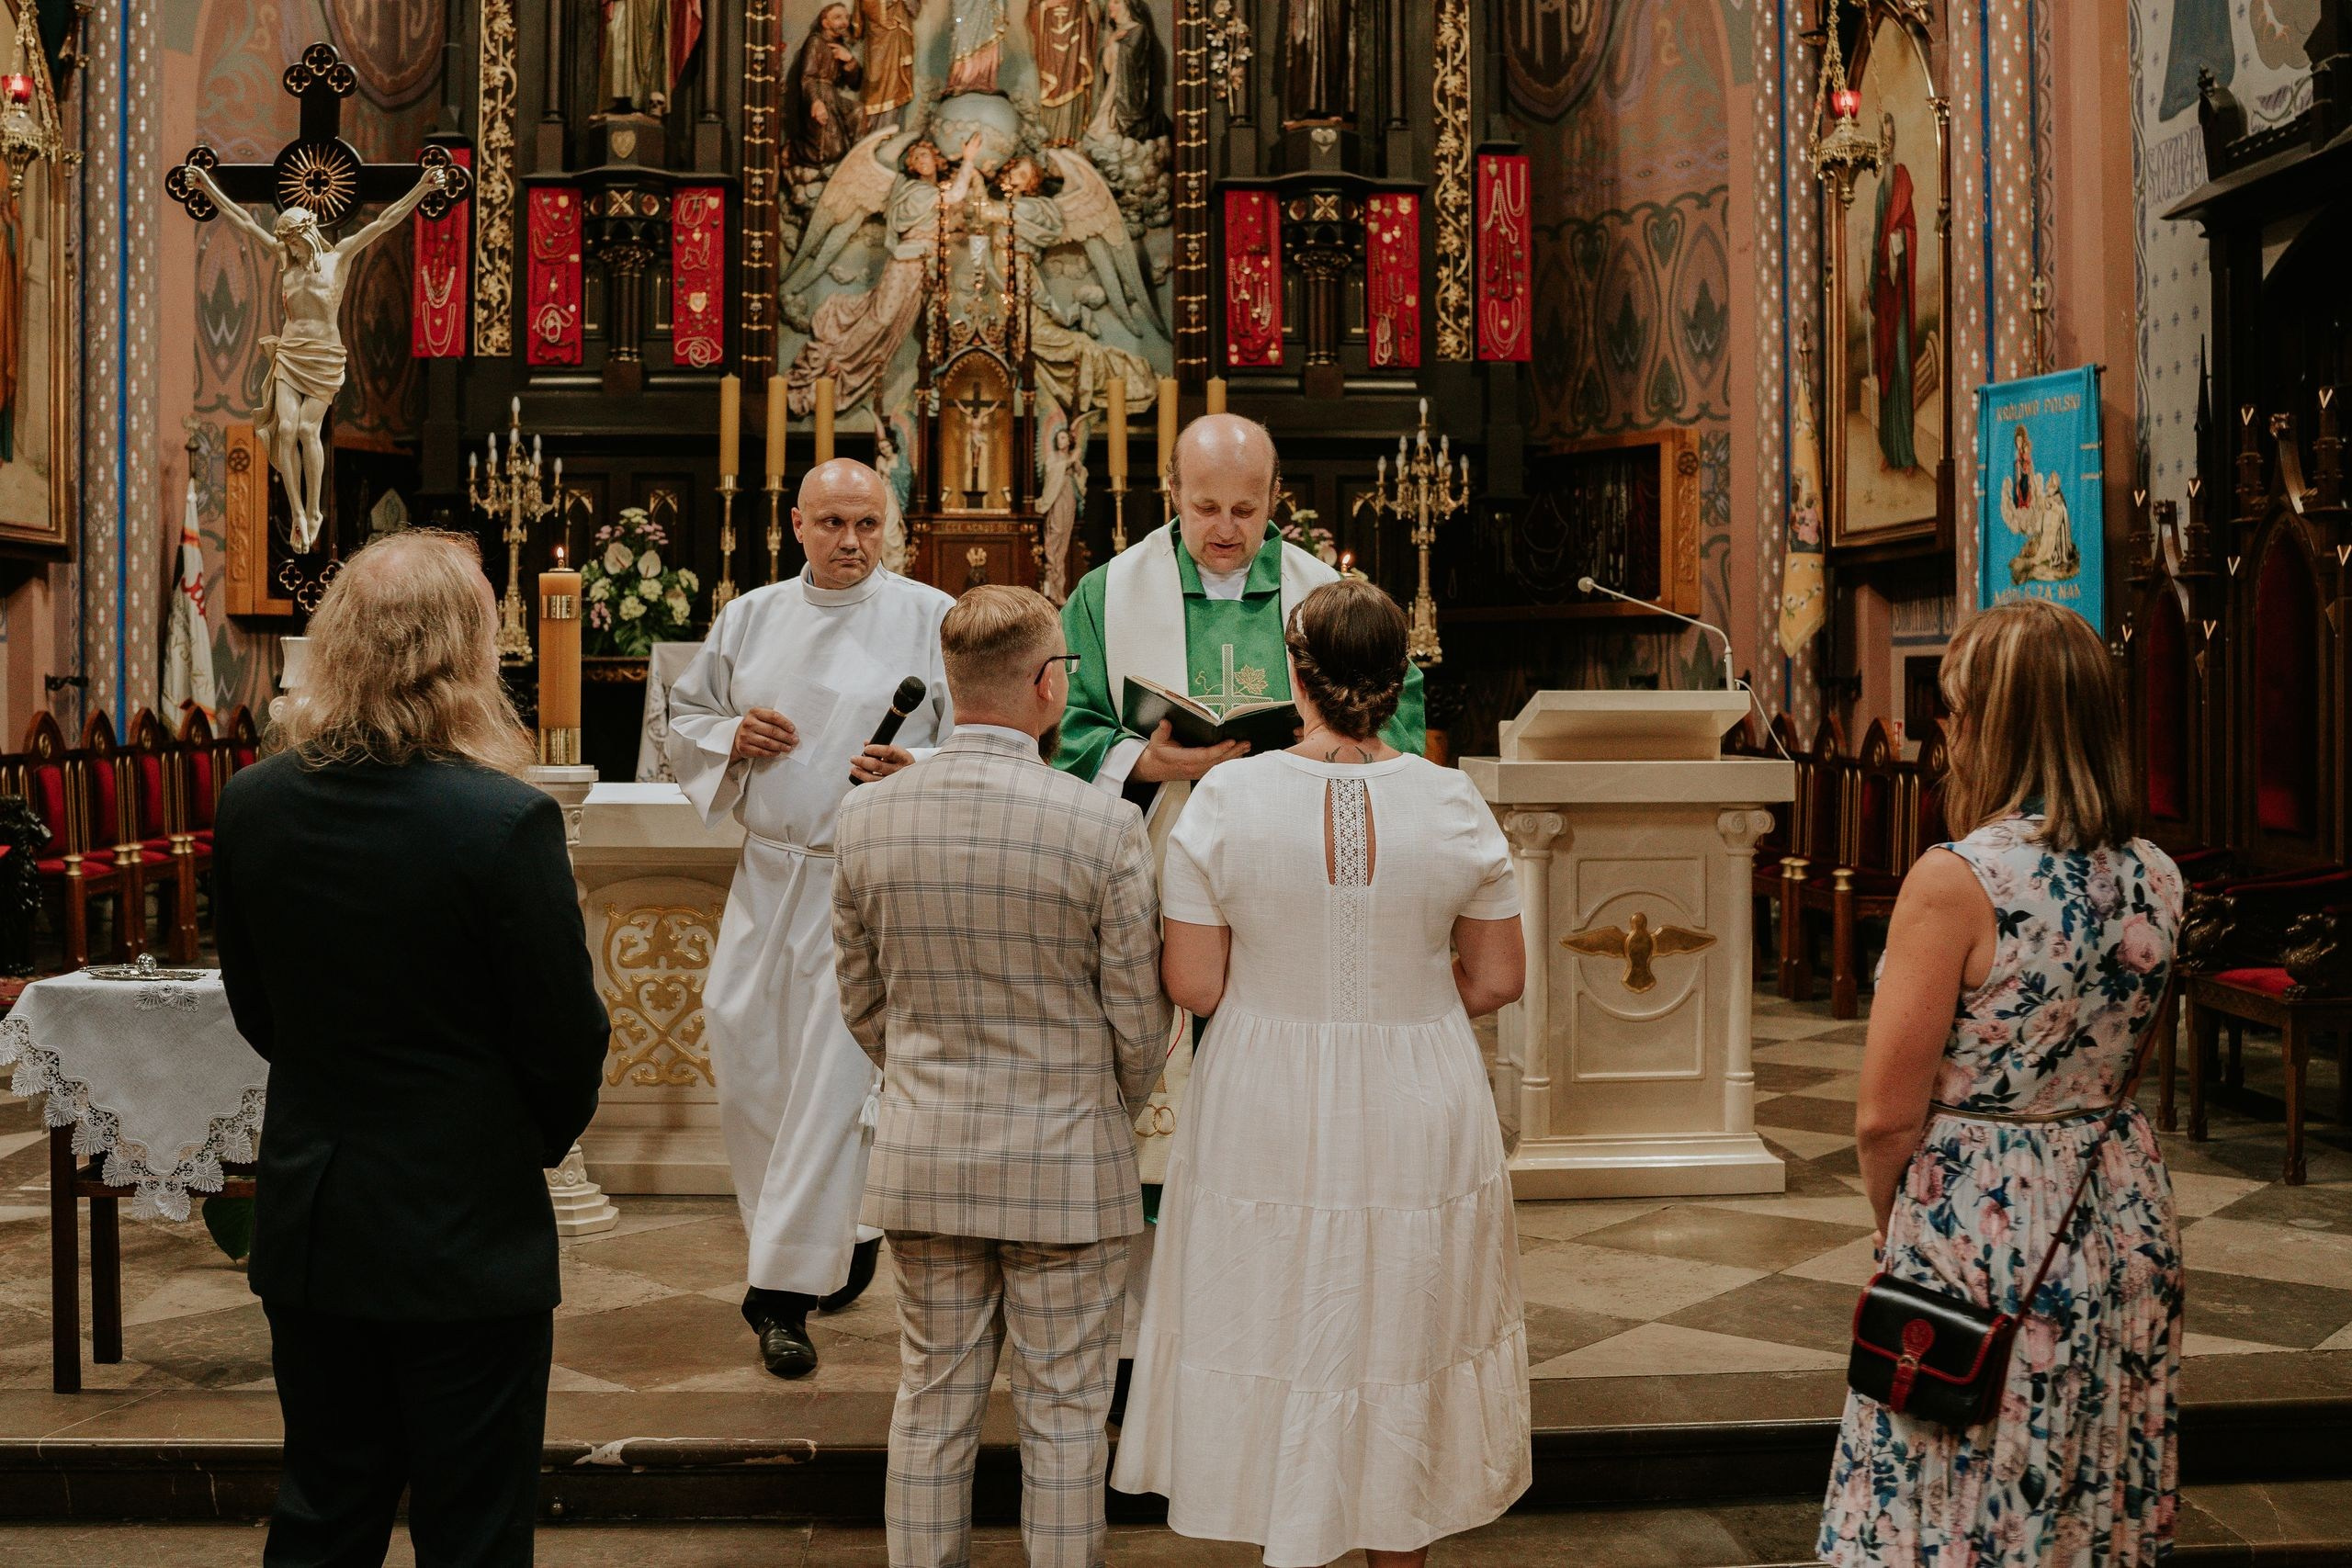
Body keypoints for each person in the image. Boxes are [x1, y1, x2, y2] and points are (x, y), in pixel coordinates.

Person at [1110, 578, 1530, 1567]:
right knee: (1407, 1327)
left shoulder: (1227, 796)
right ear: (1395, 682)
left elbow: (1198, 986)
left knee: (1275, 1315)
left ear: (1297, 679)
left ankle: (1290, 1537)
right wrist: (1405, 1005)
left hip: (1266, 1086)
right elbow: (1500, 976)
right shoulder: (1451, 796)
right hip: (1422, 1085)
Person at [212, 531, 609, 1568]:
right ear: (465, 653)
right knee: (471, 1527)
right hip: (464, 1233)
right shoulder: (503, 820)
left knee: (323, 1511)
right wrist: (503, 1143)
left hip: (317, 1220)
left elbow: (259, 1012)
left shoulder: (254, 803)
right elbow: (564, 1041)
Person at [1053, 412, 1424, 1371]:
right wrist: (1151, 754)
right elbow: (1064, 721)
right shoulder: (1109, 591)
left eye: (1246, 509)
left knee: (1282, 1096)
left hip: (1291, 870)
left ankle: (1278, 1326)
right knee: (1158, 1089)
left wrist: (1314, 754)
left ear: (1275, 498)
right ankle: (1141, 1345)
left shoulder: (1325, 594)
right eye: (1206, 506)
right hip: (1156, 855)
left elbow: (1401, 713)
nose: (1225, 529)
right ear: (1171, 495)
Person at [1818, 597, 2184, 1568]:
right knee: (2083, 1491)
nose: (1946, 731)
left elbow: (1883, 1118)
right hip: (2117, 1209)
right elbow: (2125, 1063)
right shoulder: (2158, 874)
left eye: (1954, 709)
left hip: (1980, 1219)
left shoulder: (1957, 879)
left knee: (1954, 1498)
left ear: (1992, 723)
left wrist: (1898, 1228)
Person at [832, 585, 1170, 1568]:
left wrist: (930, 1080)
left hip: (928, 1150)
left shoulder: (868, 820)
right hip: (1067, 1159)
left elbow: (861, 1000)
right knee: (1065, 1413)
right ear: (1045, 683)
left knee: (932, 1399)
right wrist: (1101, 1105)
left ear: (949, 681)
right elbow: (1138, 1019)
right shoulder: (1099, 826)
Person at [665, 457, 955, 1379]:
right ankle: (829, 1234)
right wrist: (730, 739)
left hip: (868, 881)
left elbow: (979, 736)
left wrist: (919, 774)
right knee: (748, 1053)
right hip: (770, 872)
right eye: (831, 523)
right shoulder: (750, 616)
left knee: (836, 1076)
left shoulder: (932, 617)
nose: (850, 543)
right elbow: (688, 719)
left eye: (868, 525)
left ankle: (778, 1296)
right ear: (795, 524)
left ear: (891, 525)